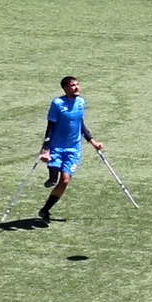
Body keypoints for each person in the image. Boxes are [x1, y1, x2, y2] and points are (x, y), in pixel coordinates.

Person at [37, 76, 104, 222]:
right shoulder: (57, 103)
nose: (77, 87)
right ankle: (52, 177)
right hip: (57, 146)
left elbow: (81, 124)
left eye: (77, 84)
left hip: (73, 148)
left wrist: (92, 141)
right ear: (65, 88)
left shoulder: (81, 102)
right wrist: (46, 149)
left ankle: (45, 210)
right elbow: (50, 127)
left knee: (65, 181)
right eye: (73, 85)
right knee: (54, 171)